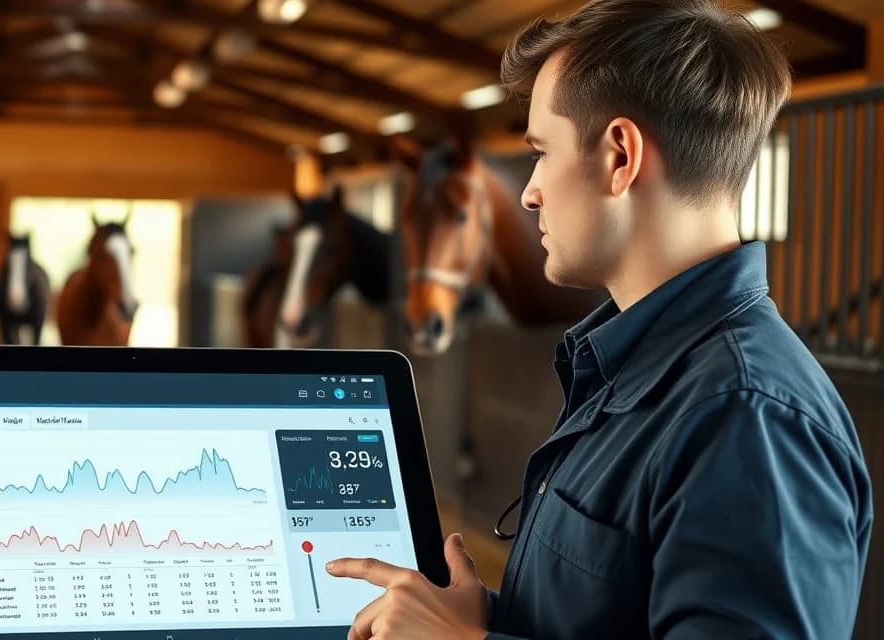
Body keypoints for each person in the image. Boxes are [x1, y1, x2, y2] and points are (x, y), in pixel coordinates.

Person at [325, 1, 874, 638]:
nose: (530, 191)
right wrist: (479, 619)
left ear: (620, 156)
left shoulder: (748, 417)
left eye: (541, 151)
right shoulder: (636, 366)